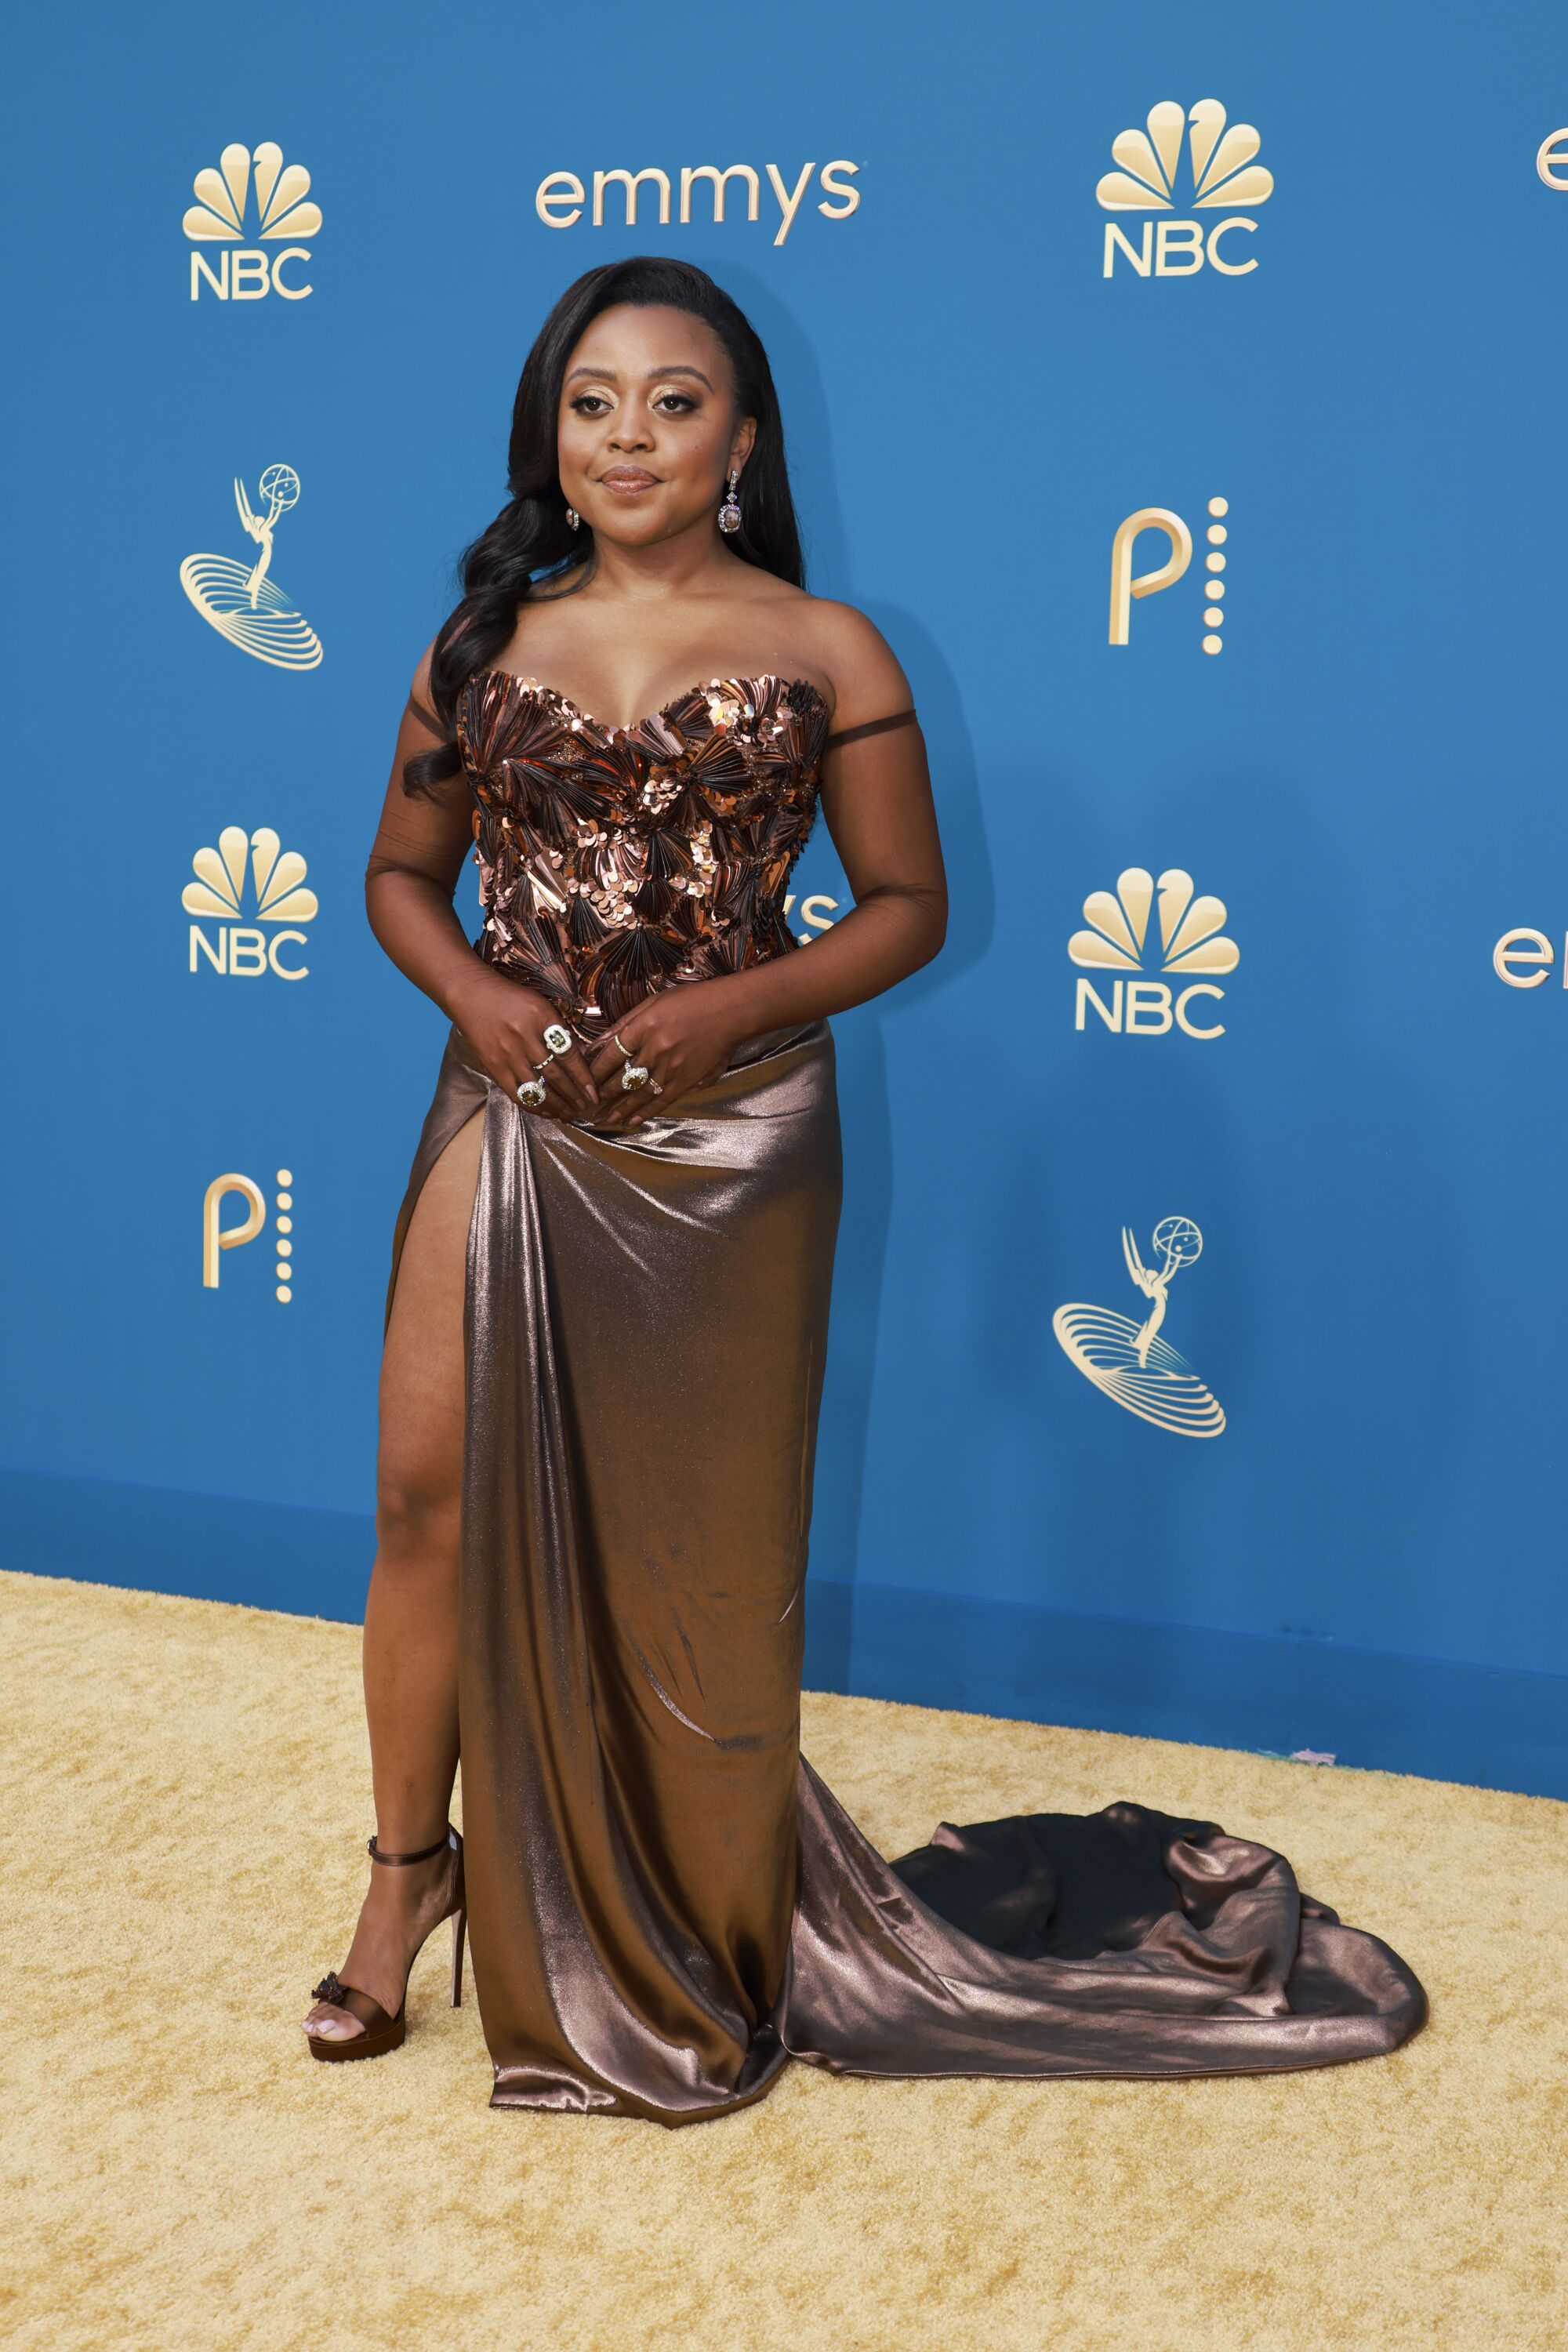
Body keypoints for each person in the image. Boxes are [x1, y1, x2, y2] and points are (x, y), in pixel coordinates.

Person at [300, 258, 1425, 2122]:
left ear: (742, 436)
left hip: (730, 1144)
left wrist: (732, 1007)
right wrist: (485, 998)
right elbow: (399, 876)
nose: (630, 436)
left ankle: (694, 1905)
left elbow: (912, 910)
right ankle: (406, 1877)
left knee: (702, 1568)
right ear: (546, 432)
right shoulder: (478, 640)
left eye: (675, 400)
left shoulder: (832, 647)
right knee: (424, 1496)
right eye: (592, 401)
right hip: (508, 1110)